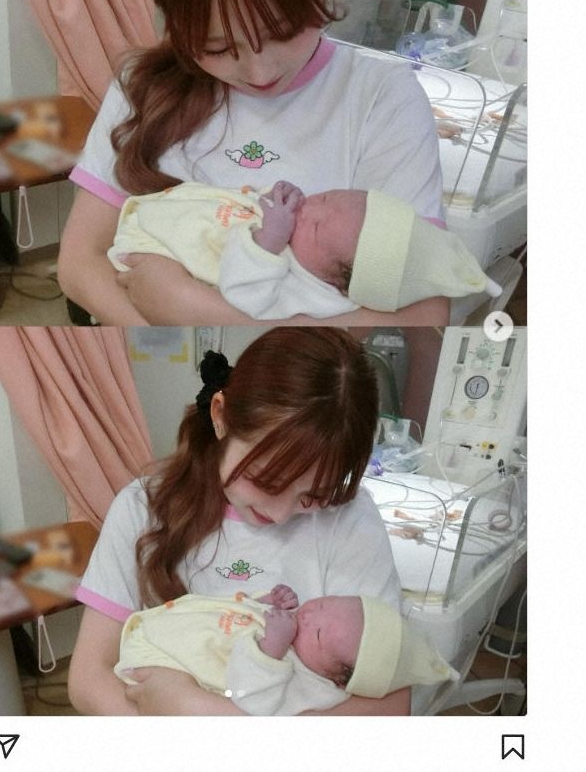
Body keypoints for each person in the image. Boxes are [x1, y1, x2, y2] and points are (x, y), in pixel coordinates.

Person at [58, 0, 449, 326]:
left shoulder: (382, 95)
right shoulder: (143, 86)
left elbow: (424, 310)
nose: (260, 74)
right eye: (217, 48)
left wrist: (189, 309)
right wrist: (160, 328)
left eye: (283, 31)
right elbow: (80, 262)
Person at [68, 328, 410, 715]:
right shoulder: (142, 507)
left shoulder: (350, 518)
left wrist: (204, 717)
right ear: (220, 416)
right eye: (266, 481)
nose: (280, 514)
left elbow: (392, 703)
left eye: (313, 496)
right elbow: (88, 679)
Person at [108, 180, 501, 319]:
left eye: (314, 227)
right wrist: (280, 196)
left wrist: (268, 242)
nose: (308, 210)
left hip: (150, 248)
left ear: (335, 283)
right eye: (325, 197)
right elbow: (262, 203)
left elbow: (246, 295)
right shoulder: (313, 248)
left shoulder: (311, 293)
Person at [115, 584, 458, 715]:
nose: (308, 615)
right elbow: (248, 614)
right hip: (170, 622)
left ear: (336, 678)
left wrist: (270, 650)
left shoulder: (312, 686)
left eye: (318, 633)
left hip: (159, 661)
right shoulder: (300, 637)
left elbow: (250, 699)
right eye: (324, 603)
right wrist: (265, 601)